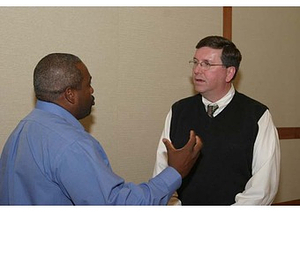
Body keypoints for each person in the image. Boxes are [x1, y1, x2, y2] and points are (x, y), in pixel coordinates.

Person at [0, 53, 202, 205]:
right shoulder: (71, 144)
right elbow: (115, 206)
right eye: (88, 84)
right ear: (70, 95)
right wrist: (175, 171)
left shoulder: (24, 128)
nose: (92, 90)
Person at [153, 35, 280, 205]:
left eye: (207, 64)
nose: (197, 70)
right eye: (196, 62)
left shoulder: (257, 115)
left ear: (229, 72)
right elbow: (162, 175)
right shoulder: (178, 111)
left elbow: (263, 189)